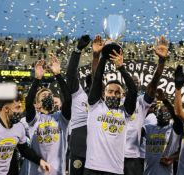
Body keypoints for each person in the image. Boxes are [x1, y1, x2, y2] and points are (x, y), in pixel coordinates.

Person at [85, 46, 137, 175]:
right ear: (104, 93)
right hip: (93, 168)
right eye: (110, 91)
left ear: (122, 95)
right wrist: (103, 57)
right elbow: (97, 79)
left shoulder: (125, 113)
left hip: (115, 170)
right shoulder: (95, 106)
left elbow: (134, 90)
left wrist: (121, 67)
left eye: (117, 92)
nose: (113, 94)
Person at [124, 35, 168, 175]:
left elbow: (153, 85)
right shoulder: (114, 102)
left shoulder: (141, 103)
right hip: (111, 155)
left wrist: (161, 61)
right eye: (132, 83)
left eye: (136, 84)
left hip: (133, 157)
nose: (134, 85)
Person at [22, 55, 71, 175]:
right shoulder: (34, 119)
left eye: (49, 95)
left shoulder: (61, 118)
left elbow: (68, 99)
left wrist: (58, 74)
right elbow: (28, 102)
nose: (48, 96)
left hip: (57, 171)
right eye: (43, 96)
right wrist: (37, 78)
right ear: (37, 105)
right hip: (36, 171)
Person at [66, 35, 91, 175]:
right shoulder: (79, 94)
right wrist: (77, 50)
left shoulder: (104, 102)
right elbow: (70, 74)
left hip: (97, 154)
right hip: (78, 150)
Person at [142, 90, 183, 175]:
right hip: (148, 172)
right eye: (160, 110)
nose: (162, 112)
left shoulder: (174, 128)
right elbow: (134, 126)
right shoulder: (148, 128)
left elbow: (177, 118)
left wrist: (165, 100)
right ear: (155, 112)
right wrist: (146, 109)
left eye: (166, 110)